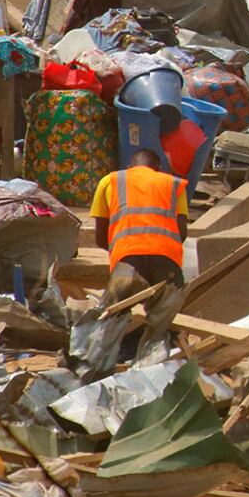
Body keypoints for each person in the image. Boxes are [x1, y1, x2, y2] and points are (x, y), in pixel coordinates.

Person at [90, 150, 190, 364]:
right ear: (159, 169)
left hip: (127, 258)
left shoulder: (110, 181)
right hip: (167, 259)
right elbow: (181, 232)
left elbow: (100, 237)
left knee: (112, 316)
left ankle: (100, 363)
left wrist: (123, 249)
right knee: (160, 325)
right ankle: (154, 361)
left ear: (129, 167)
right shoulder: (174, 184)